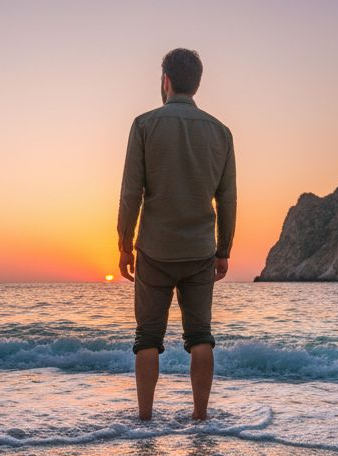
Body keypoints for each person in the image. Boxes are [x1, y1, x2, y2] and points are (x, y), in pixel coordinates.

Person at [117, 47, 236, 421]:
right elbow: (227, 197)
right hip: (200, 250)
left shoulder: (144, 125)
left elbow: (130, 191)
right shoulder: (221, 132)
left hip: (154, 249)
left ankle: (146, 418)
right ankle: (200, 418)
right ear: (196, 83)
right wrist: (224, 249)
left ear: (165, 80)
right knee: (200, 336)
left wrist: (124, 244)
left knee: (147, 338)